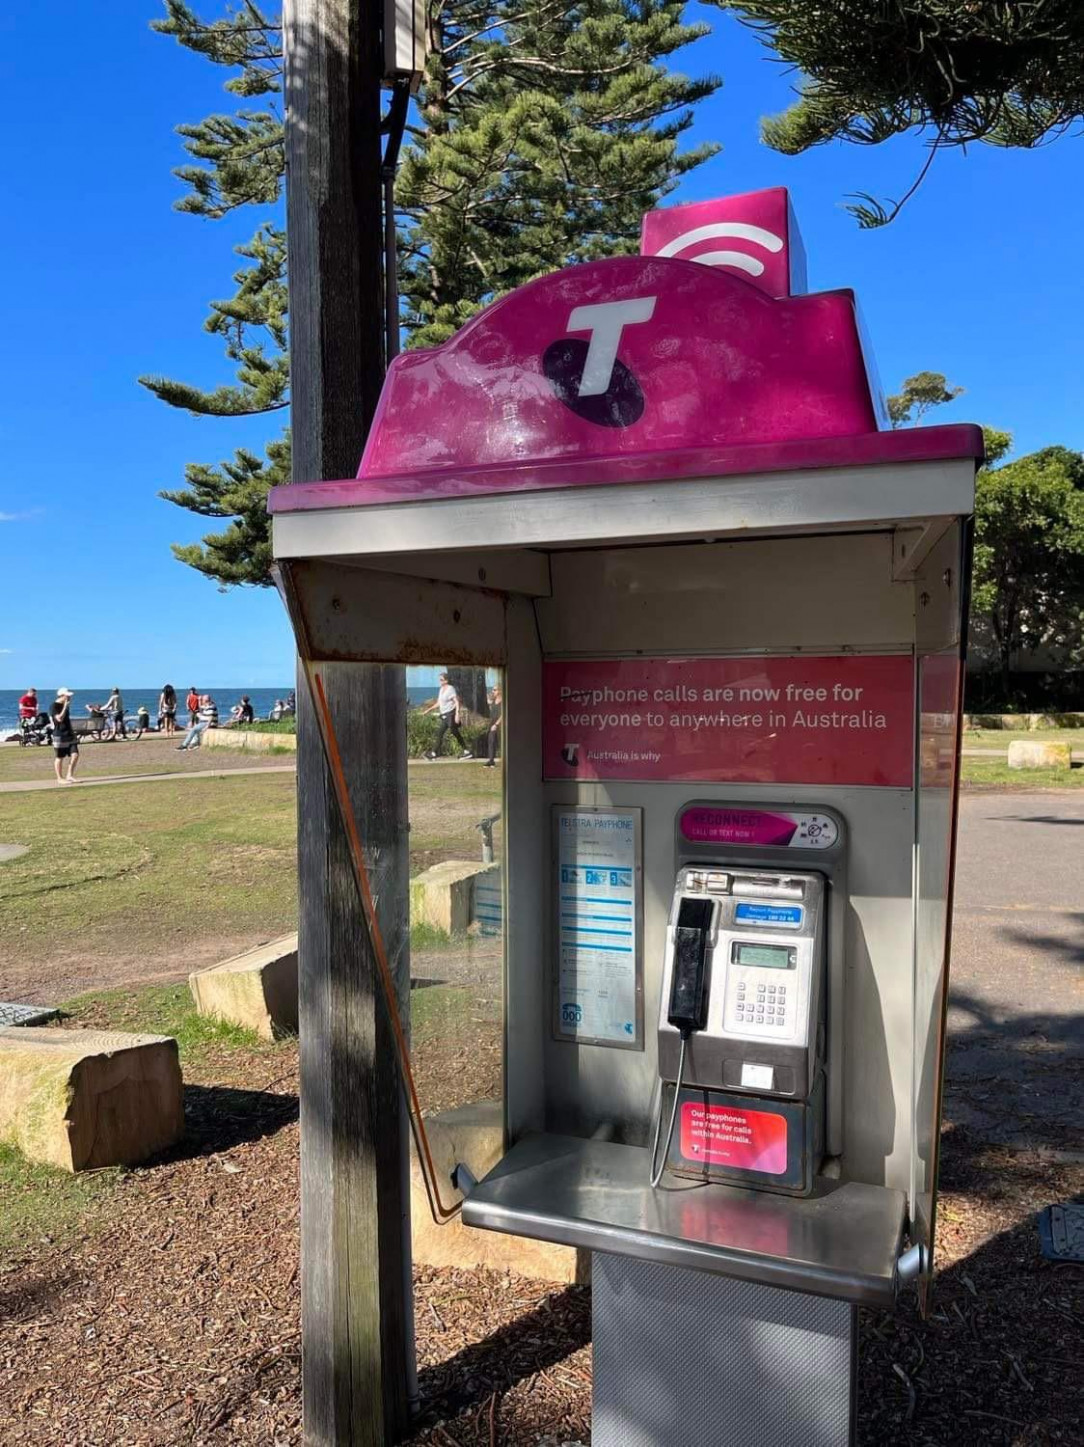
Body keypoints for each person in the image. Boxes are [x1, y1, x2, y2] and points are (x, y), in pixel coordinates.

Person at [421, 672, 472, 760]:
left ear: (446, 680)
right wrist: (428, 710)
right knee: (441, 733)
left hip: (451, 714)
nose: (440, 681)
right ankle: (434, 754)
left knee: (454, 732)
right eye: (439, 679)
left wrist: (457, 714)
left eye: (441, 680)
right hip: (445, 715)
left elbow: (457, 702)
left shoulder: (450, 689)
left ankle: (466, 751)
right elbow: (439, 703)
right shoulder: (441, 689)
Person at [50, 687, 79, 784]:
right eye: (68, 696)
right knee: (60, 757)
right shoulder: (54, 706)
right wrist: (65, 706)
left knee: (75, 754)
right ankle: (59, 778)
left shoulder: (65, 705)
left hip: (69, 733)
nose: (70, 698)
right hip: (59, 734)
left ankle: (69, 775)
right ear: (62, 696)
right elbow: (59, 719)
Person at [484, 685, 502, 768]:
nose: (493, 691)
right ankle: (491, 761)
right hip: (493, 723)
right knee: (491, 741)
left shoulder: (503, 702)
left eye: (494, 690)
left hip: (500, 724)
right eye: (493, 690)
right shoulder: (494, 700)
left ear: (500, 691)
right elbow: (490, 705)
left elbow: (503, 715)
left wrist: (496, 724)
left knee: (501, 743)